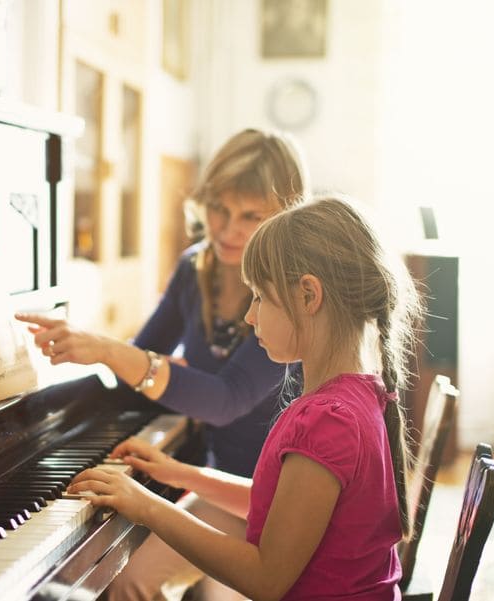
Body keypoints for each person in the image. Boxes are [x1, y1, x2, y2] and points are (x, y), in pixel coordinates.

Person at [67, 195, 422, 601]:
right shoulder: (358, 394)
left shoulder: (327, 419)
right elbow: (279, 508)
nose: (250, 316)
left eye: (259, 297)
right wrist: (183, 474)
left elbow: (265, 580)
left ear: (309, 296)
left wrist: (146, 506)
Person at [16, 128, 308, 600]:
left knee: (145, 579)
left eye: (251, 216)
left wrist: (111, 350)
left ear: (285, 216)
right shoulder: (196, 268)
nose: (228, 229)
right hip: (224, 485)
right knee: (128, 576)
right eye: (219, 208)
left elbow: (224, 401)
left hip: (276, 502)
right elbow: (142, 359)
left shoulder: (287, 296)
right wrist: (46, 411)